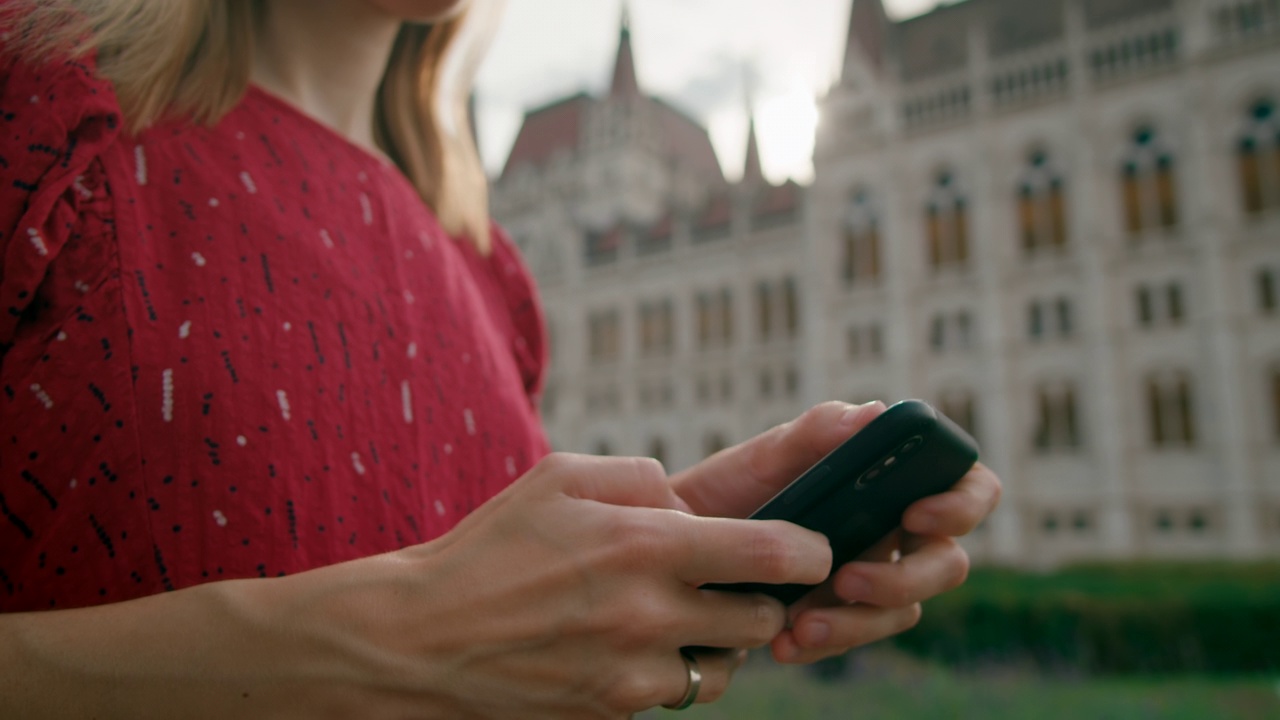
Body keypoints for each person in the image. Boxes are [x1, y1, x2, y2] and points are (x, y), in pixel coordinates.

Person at [0, 0, 1002, 716]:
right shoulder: (39, 100)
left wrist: (653, 575)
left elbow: (461, 605)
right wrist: (389, 644)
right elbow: (425, 620)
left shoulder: (490, 274)